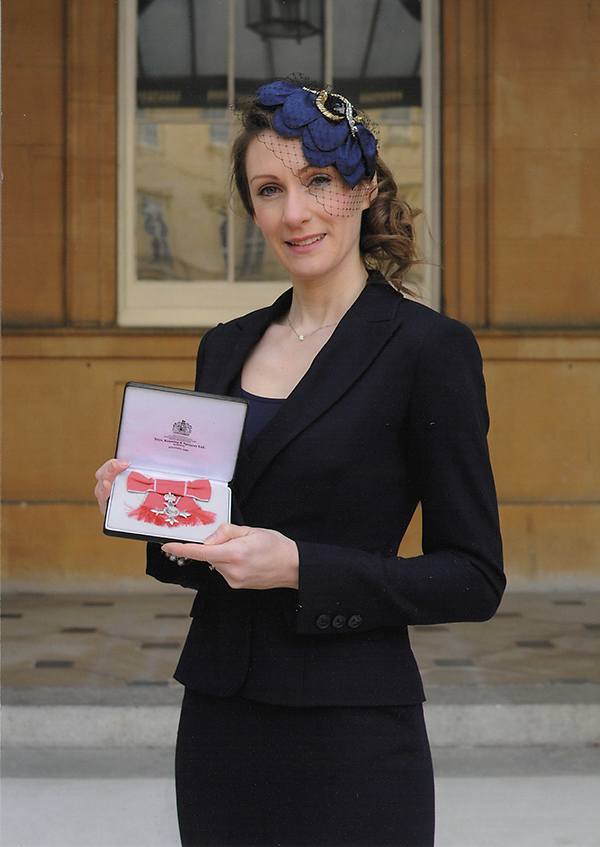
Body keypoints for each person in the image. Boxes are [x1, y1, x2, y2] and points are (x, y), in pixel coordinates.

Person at [95, 79, 504, 847]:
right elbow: (210, 544)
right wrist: (146, 507)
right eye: (269, 189)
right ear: (251, 208)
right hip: (220, 721)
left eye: (318, 181)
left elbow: (475, 576)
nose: (294, 212)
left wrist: (299, 567)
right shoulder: (225, 345)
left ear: (365, 186)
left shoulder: (428, 348)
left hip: (353, 732)